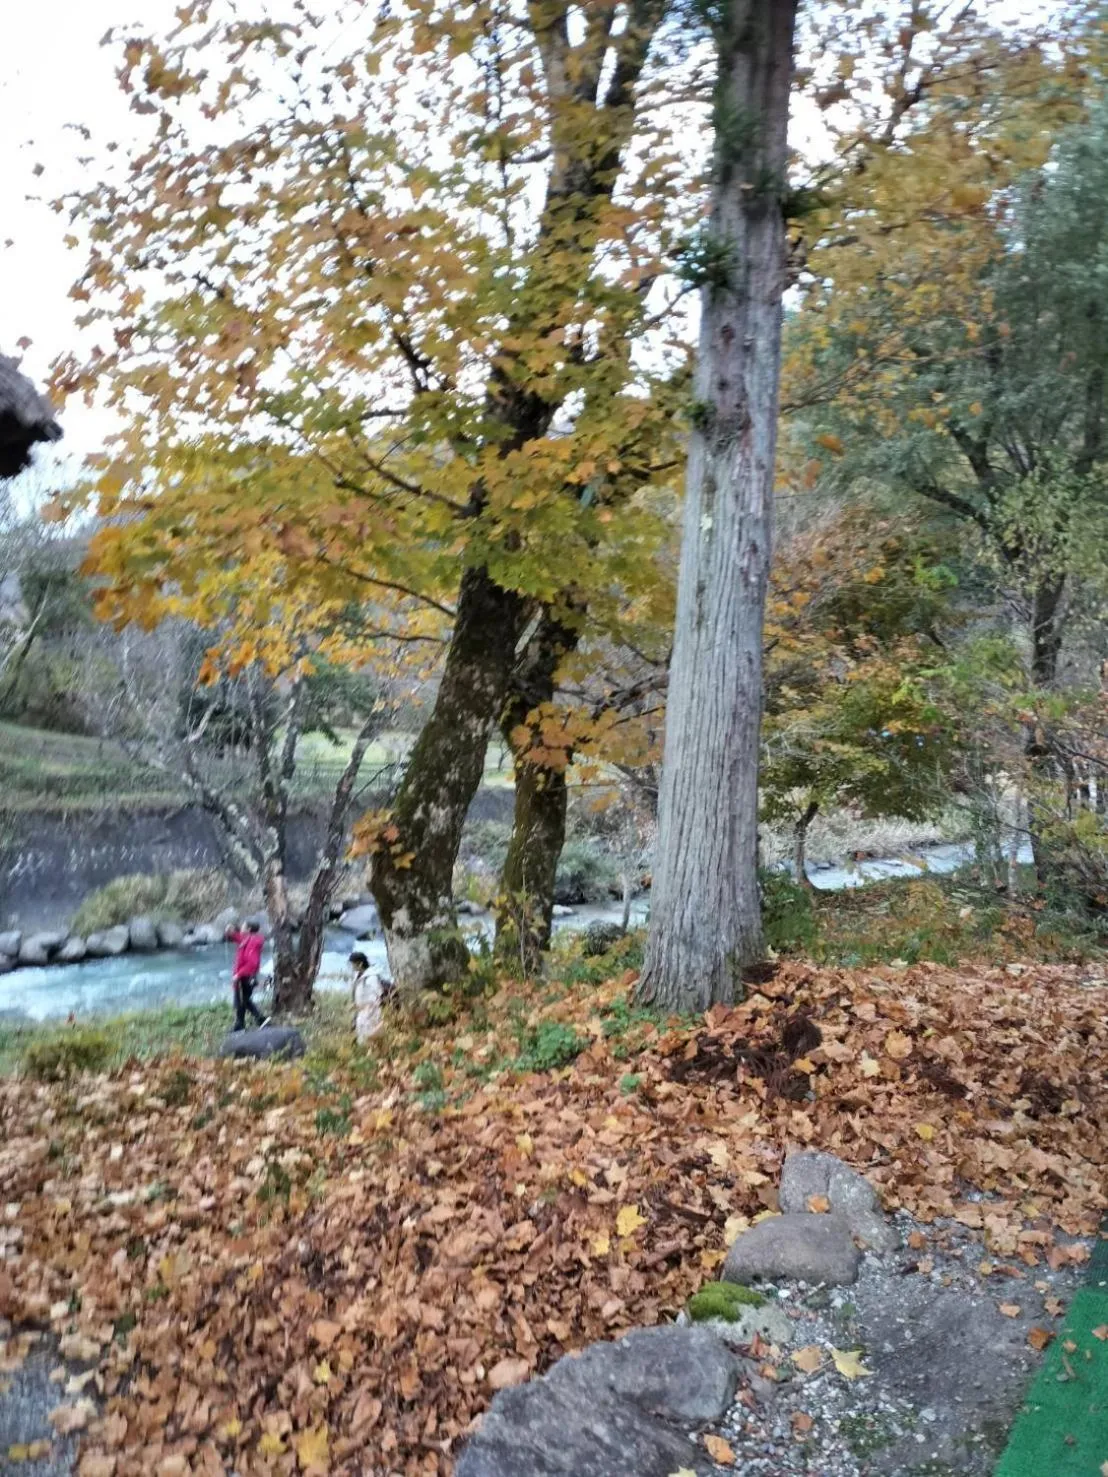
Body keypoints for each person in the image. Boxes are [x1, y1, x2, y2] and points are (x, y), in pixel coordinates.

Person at [225, 920, 267, 1031]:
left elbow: (252, 962)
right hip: (243, 976)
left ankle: (261, 1019)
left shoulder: (252, 942)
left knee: (244, 1000)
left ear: (248, 929)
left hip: (246, 977)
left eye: (243, 926)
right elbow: (235, 937)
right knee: (241, 1001)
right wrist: (230, 932)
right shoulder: (247, 938)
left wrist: (239, 974)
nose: (241, 928)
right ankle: (240, 1024)